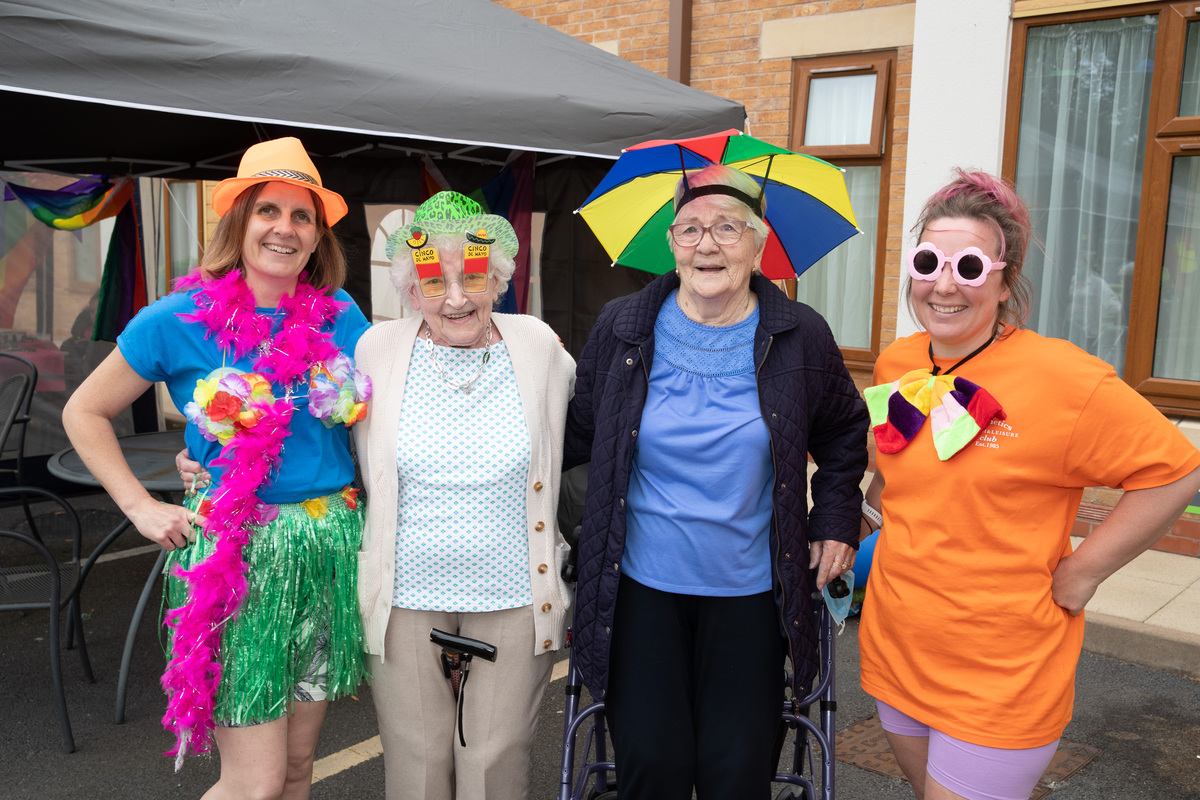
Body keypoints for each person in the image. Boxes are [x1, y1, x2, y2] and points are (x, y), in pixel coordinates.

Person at [857, 169, 1200, 800]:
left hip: (1002, 669)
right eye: (929, 260)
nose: (944, 284)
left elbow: (1177, 470)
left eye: (969, 266)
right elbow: (898, 473)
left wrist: (1084, 571)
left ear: (1003, 277)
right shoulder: (897, 361)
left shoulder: (1063, 378)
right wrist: (869, 516)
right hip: (896, 643)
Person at [62, 137, 372, 799]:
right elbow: (85, 412)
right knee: (254, 782)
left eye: (301, 216)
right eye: (268, 210)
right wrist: (140, 506)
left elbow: (372, 427)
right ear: (238, 220)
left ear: (318, 236)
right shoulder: (176, 319)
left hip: (328, 549)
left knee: (295, 770)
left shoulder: (343, 317)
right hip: (238, 557)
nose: (284, 228)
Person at [563, 163, 869, 799]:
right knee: (652, 769)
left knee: (736, 774)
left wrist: (835, 519)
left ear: (759, 246)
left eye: (728, 229)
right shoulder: (623, 326)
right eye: (691, 229)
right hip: (638, 587)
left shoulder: (798, 333)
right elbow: (576, 440)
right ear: (670, 244)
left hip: (753, 591)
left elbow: (843, 432)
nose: (708, 244)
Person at [354, 191, 576, 800]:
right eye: (434, 280)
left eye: (473, 276)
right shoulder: (375, 350)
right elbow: (311, 427)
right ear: (408, 288)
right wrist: (205, 457)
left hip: (513, 588)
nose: (455, 298)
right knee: (417, 761)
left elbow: (598, 427)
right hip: (404, 595)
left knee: (495, 760)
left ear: (500, 278)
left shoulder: (540, 348)